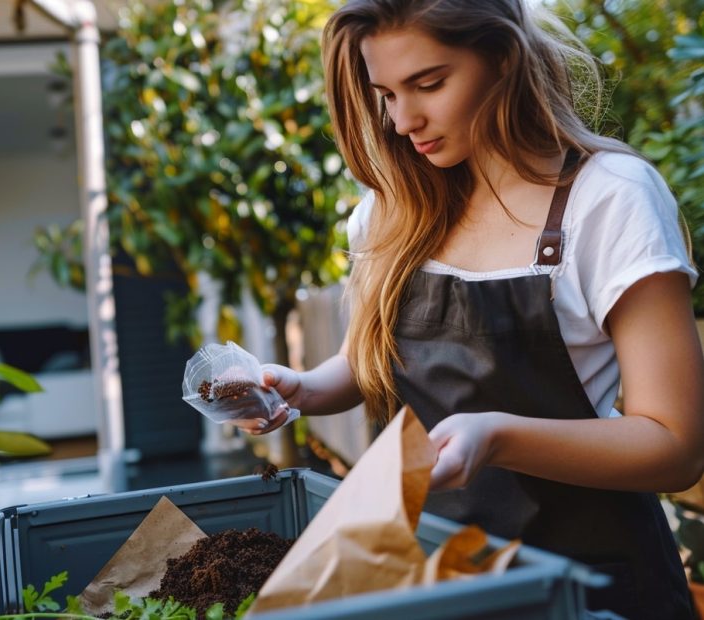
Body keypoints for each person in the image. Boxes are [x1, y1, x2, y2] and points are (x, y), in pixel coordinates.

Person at [245, 1, 704, 617]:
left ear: (504, 59)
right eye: (385, 93)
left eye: (428, 84)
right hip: (436, 576)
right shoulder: (391, 212)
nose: (403, 120)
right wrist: (298, 388)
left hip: (588, 586)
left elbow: (674, 448)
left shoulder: (609, 199)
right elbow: (364, 361)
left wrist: (496, 436)